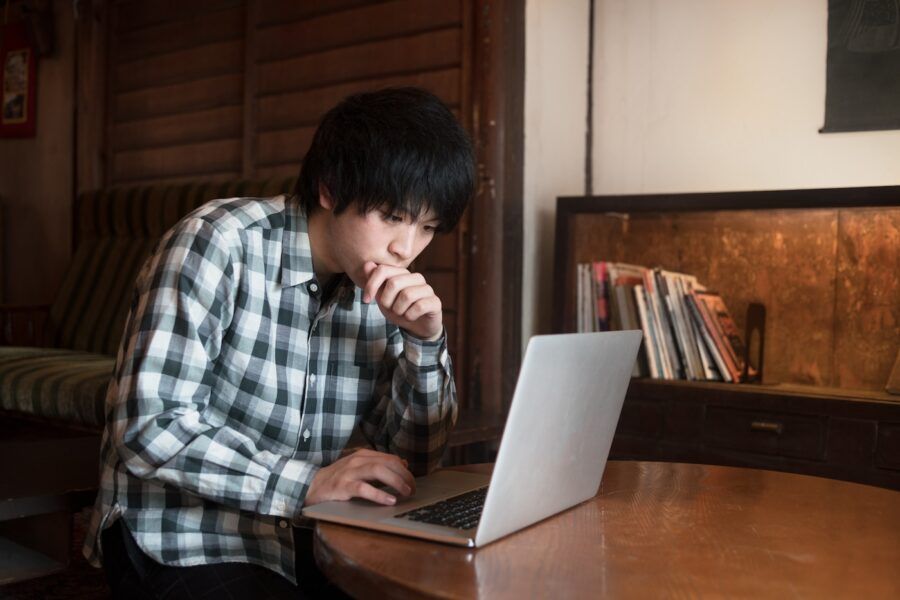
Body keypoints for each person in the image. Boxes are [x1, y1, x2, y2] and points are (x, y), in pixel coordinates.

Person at [82, 87, 476, 598]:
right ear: (331, 188)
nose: (406, 248)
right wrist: (306, 485)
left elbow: (413, 463)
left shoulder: (381, 288)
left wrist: (426, 343)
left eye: (427, 227)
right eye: (393, 217)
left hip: (308, 536)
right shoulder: (218, 241)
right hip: (180, 533)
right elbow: (146, 426)